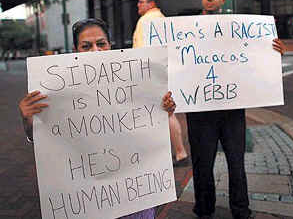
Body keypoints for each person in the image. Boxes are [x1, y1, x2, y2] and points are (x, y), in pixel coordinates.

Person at [19, 18, 176, 219]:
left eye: (101, 44)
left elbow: (151, 125)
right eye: (86, 46)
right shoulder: (57, 91)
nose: (95, 50)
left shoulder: (137, 80)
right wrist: (28, 120)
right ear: (76, 50)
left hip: (133, 193)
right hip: (90, 198)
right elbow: (46, 141)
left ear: (110, 45)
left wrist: (164, 110)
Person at [186, 0, 286, 219]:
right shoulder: (187, 28)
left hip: (232, 109)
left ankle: (241, 210)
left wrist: (274, 53)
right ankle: (204, 209)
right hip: (200, 110)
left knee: (236, 163)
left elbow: (255, 58)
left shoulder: (238, 27)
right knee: (202, 164)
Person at [133, 0, 189, 167]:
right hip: (164, 72)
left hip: (151, 74)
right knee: (167, 112)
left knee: (164, 114)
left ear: (151, 4)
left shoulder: (146, 21)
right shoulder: (162, 19)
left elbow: (143, 51)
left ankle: (179, 152)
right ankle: (179, 152)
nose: (138, 5)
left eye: (141, 2)